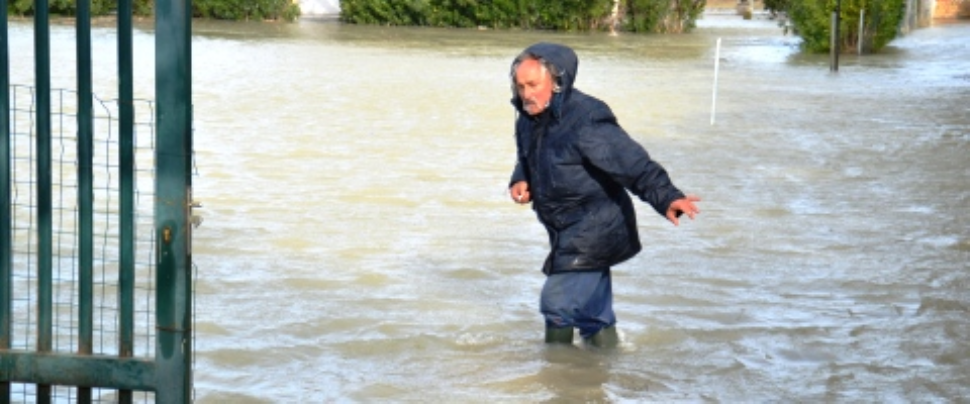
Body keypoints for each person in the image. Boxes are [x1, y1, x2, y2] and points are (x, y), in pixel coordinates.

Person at [507, 42, 701, 348]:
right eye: (520, 86)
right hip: (562, 227)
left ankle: (556, 377)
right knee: (591, 314)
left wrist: (667, 196)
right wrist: (521, 178)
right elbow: (528, 156)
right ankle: (600, 378)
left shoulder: (586, 119)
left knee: (556, 304)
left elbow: (631, 162)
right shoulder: (528, 119)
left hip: (595, 226)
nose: (526, 93)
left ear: (557, 81)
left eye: (533, 84)